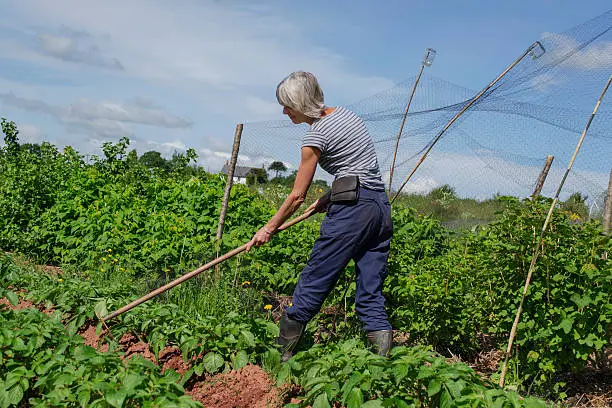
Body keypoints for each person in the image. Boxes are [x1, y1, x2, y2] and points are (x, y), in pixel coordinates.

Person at [246, 71, 394, 361]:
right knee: (370, 288)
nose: (284, 111)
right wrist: (329, 196)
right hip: (378, 207)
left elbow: (296, 196)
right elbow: (357, 166)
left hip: (352, 210)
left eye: (287, 105)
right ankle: (382, 366)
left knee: (316, 277)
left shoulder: (314, 136)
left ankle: (281, 358)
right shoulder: (348, 115)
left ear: (300, 102)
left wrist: (268, 228)